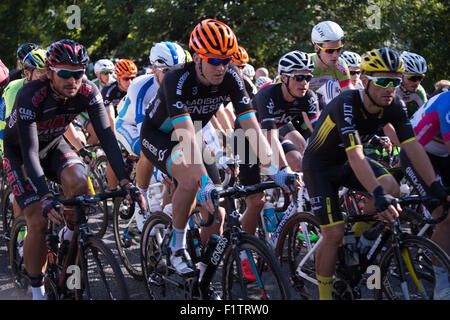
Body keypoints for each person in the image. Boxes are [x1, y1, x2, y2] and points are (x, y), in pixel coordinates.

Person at [140, 18, 298, 278]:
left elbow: (250, 126)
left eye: (226, 60)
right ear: (197, 57)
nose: (222, 67)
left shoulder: (231, 77)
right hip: (160, 135)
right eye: (214, 60)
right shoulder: (176, 78)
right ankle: (176, 245)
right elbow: (186, 136)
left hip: (192, 136)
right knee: (192, 180)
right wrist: (204, 181)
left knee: (219, 214)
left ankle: (202, 279)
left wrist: (275, 170)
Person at [2, 39, 144, 300]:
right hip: (22, 154)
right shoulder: (30, 94)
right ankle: (38, 291)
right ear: (50, 71)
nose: (73, 80)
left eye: (78, 73)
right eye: (65, 73)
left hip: (54, 145)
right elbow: (31, 151)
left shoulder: (88, 91)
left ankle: (69, 239)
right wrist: (45, 197)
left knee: (80, 183)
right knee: (38, 220)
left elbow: (107, 136)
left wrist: (125, 182)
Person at [302, 47, 447, 300]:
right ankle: (324, 294)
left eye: (395, 81)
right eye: (383, 81)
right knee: (333, 233)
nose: (390, 88)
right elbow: (355, 154)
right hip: (320, 166)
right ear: (366, 81)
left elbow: (412, 147)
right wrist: (377, 195)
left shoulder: (395, 105)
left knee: (392, 187)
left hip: (349, 162)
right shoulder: (347, 103)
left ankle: (362, 238)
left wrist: (434, 185)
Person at [236, 50, 318, 280]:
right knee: (255, 200)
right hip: (247, 138)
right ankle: (244, 256)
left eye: (308, 77)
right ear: (284, 77)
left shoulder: (307, 96)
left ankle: (284, 216)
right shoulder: (267, 96)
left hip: (274, 133)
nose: (304, 83)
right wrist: (282, 173)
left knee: (299, 164)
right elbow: (268, 140)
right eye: (298, 77)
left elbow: (320, 132)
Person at [115, 41, 188, 225]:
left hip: (161, 126)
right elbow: (145, 136)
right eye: (167, 71)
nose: (174, 76)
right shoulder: (139, 86)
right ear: (154, 69)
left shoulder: (184, 82)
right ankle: (142, 199)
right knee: (146, 152)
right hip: (129, 125)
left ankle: (163, 216)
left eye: (178, 70)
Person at [400, 91, 450, 299]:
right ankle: (442, 284)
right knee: (445, 217)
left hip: (442, 155)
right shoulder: (448, 105)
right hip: (417, 154)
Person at [309, 21, 353, 92]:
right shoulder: (305, 64)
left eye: (339, 49)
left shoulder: (340, 64)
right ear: (317, 49)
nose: (335, 55)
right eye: (330, 51)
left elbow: (349, 92)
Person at [396, 51, 428, 117]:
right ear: (400, 76)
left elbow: (427, 113)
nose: (417, 82)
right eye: (413, 78)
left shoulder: (419, 91)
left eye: (420, 78)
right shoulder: (392, 88)